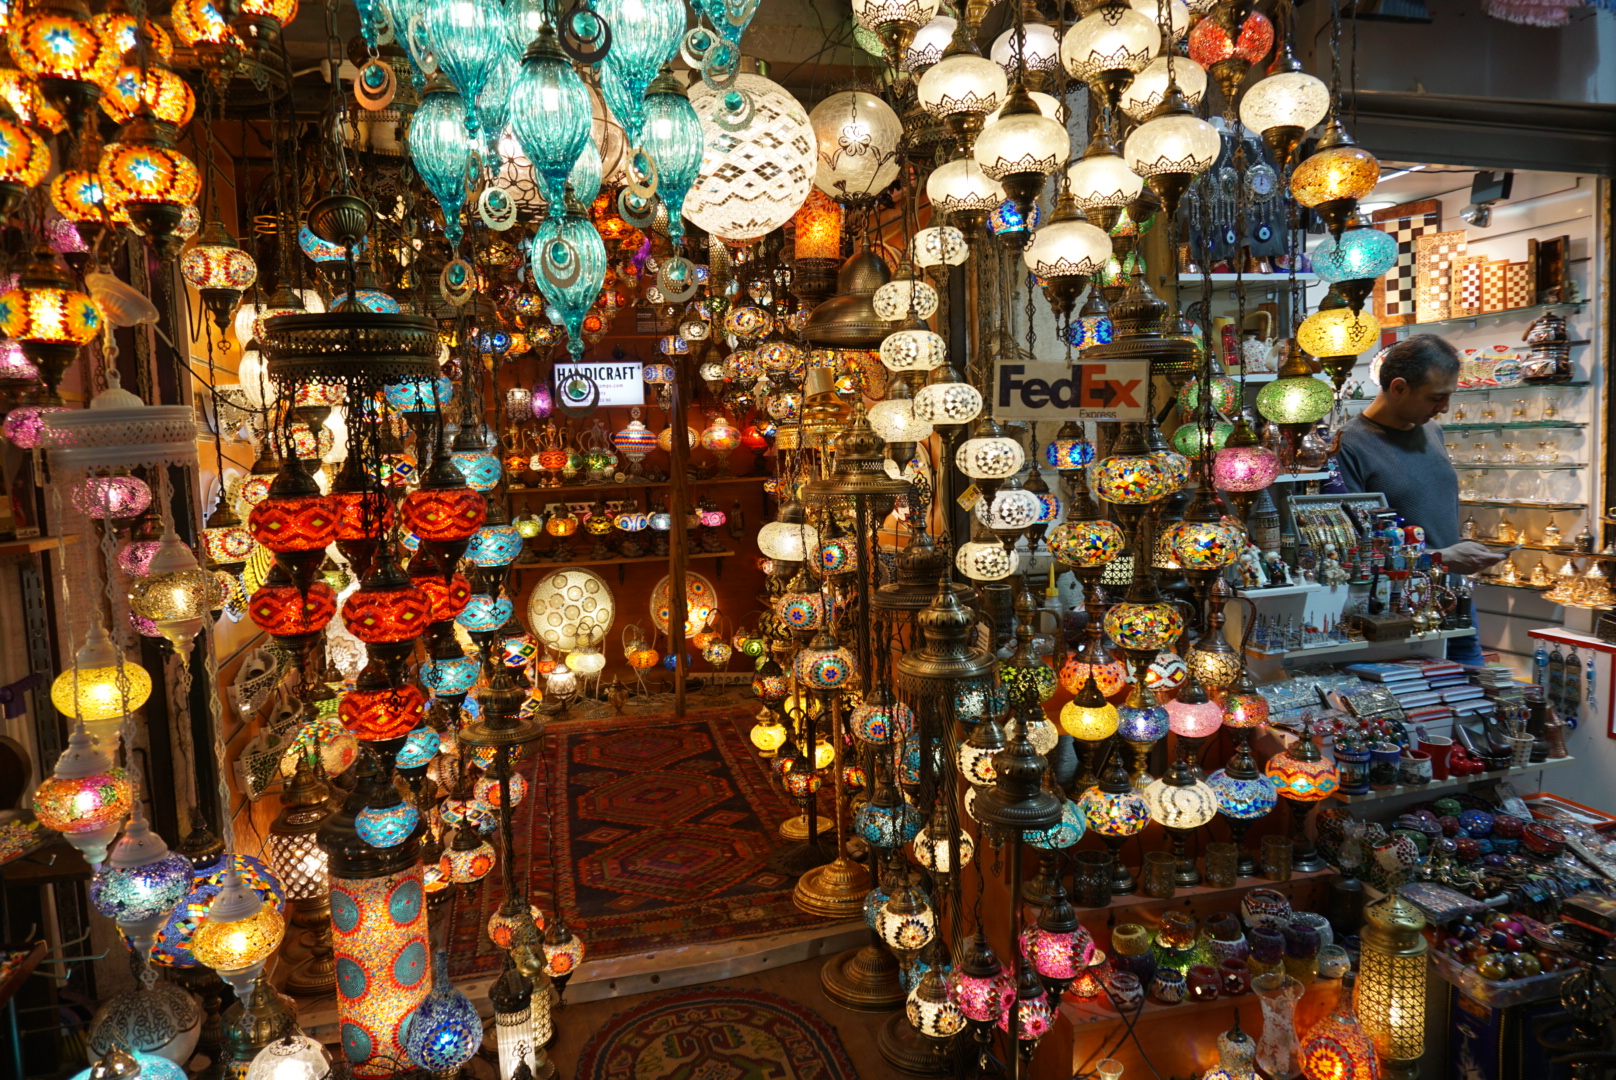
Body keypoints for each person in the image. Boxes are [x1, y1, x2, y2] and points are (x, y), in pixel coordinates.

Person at [1334, 333, 1504, 665]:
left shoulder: (1430, 431)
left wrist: (1454, 555)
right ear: (1398, 387)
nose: (1444, 408)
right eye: (1436, 397)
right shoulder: (1349, 447)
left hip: (1452, 598)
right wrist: (1439, 557)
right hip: (1394, 607)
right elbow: (1355, 548)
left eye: (1449, 396)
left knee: (1472, 704)